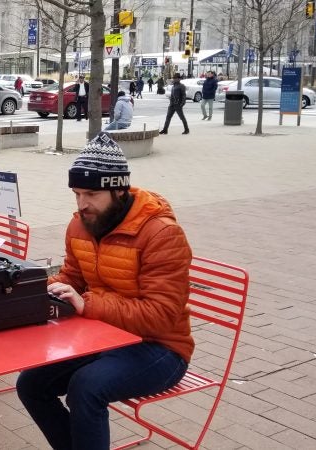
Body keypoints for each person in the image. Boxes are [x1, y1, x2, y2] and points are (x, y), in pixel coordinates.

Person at [16, 133, 193, 450]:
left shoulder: (161, 234)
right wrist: (28, 290)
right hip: (105, 337)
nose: (82, 204)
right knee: (31, 383)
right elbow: (73, 276)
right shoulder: (80, 225)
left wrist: (88, 305)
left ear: (119, 189)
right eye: (77, 193)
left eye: (92, 194)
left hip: (161, 349)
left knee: (86, 387)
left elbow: (162, 316)